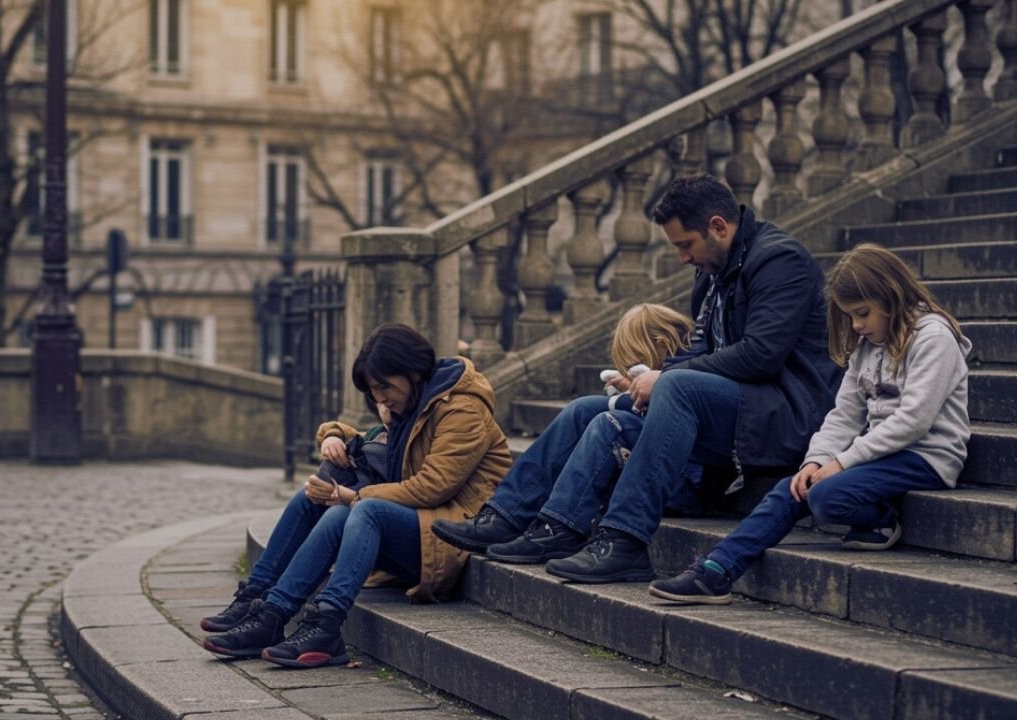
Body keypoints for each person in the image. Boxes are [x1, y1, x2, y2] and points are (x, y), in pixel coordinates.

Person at [438, 174, 842, 583]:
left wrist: (666, 378)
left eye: (686, 245)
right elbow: (699, 349)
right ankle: (521, 520)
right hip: (731, 410)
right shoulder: (714, 268)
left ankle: (625, 542)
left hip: (784, 417)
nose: (683, 258)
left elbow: (761, 355)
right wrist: (646, 381)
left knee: (675, 386)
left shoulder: (779, 260)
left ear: (719, 227)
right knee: (588, 411)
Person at [650, 243, 971, 603]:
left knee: (825, 495)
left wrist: (842, 462)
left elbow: (914, 421)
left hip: (926, 456)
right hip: (879, 456)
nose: (857, 325)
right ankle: (717, 570)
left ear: (891, 296)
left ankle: (879, 518)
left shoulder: (934, 339)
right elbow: (843, 416)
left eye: (863, 313)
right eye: (850, 316)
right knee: (794, 487)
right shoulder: (867, 347)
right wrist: (815, 460)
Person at [200, 323, 511, 668]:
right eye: (373, 391)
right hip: (421, 525)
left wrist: (352, 496)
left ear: (412, 371)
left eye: (384, 387)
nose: (379, 398)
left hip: (454, 533)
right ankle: (267, 609)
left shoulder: (462, 410)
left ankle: (326, 624)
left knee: (364, 511)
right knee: (315, 501)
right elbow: (377, 442)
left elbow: (433, 485)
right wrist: (334, 435)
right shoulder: (415, 405)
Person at [433, 303, 701, 565]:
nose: (635, 370)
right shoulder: (682, 368)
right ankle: (506, 515)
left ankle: (560, 527)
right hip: (659, 470)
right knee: (582, 408)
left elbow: (670, 429)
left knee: (608, 422)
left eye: (638, 362)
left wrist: (633, 396)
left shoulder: (690, 377)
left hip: (683, 483)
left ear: (663, 342)